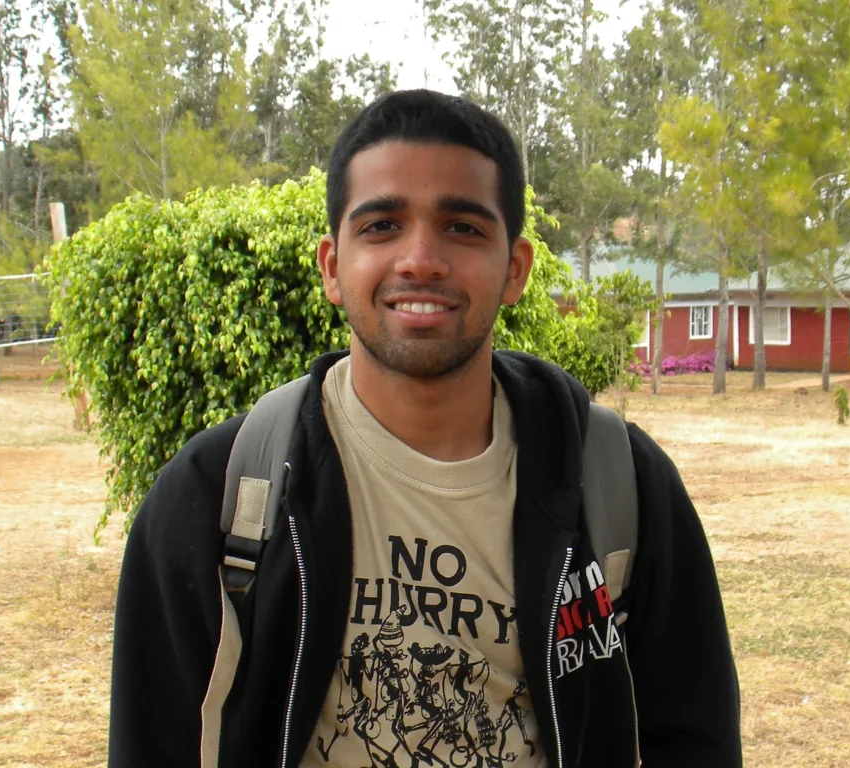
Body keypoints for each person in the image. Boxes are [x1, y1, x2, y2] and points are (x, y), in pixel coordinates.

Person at [108, 89, 742, 768]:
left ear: (515, 271)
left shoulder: (620, 486)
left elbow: (695, 739)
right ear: (332, 267)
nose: (420, 259)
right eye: (381, 225)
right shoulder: (218, 496)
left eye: (462, 228)